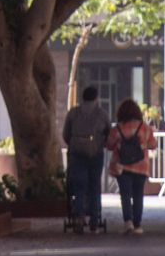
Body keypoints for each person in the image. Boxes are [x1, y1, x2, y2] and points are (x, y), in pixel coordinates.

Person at [62, 86, 113, 232]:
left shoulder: (73, 113)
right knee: (94, 186)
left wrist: (75, 144)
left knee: (79, 186)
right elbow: (109, 133)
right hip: (95, 153)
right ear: (95, 98)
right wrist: (101, 144)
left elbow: (66, 135)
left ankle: (79, 217)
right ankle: (95, 221)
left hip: (76, 154)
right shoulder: (101, 113)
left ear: (82, 98)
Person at [106, 99, 157, 233]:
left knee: (125, 194)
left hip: (122, 167)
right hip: (141, 166)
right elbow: (154, 144)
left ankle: (128, 221)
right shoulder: (144, 128)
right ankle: (138, 224)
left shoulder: (117, 129)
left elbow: (109, 146)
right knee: (138, 194)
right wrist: (143, 145)